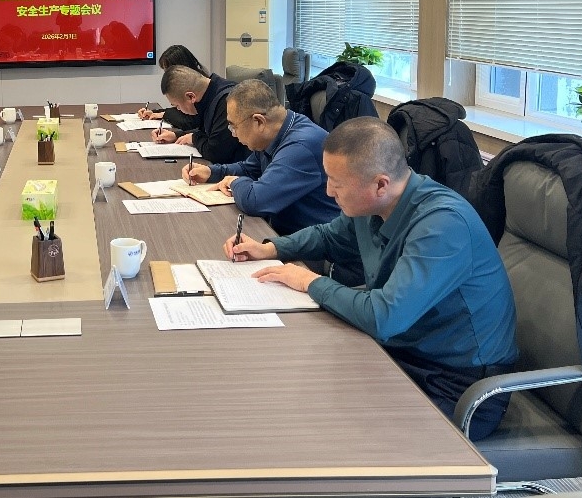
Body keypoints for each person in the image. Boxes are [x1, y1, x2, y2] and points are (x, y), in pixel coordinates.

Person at [225, 117, 517, 440]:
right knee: (294, 385)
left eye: (336, 182)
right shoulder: (376, 205)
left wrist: (309, 281)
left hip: (458, 386)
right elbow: (329, 236)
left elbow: (384, 316)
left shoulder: (443, 225)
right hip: (403, 352)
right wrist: (270, 248)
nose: (328, 191)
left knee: (328, 429)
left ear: (380, 184)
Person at [183, 79, 339, 235]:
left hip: (314, 244)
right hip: (285, 233)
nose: (233, 134)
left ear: (258, 121)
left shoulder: (300, 146)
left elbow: (255, 201)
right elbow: (249, 168)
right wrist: (212, 172)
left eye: (234, 126)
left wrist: (234, 182)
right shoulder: (279, 132)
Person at [153, 65, 247, 163]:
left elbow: (215, 153)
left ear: (190, 97)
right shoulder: (212, 90)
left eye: (177, 105)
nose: (178, 110)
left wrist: (194, 138)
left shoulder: (227, 101)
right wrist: (176, 135)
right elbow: (209, 132)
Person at [136, 44, 206, 131]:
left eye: (167, 71)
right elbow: (179, 110)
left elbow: (192, 121)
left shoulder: (198, 86)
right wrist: (154, 112)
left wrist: (164, 115)